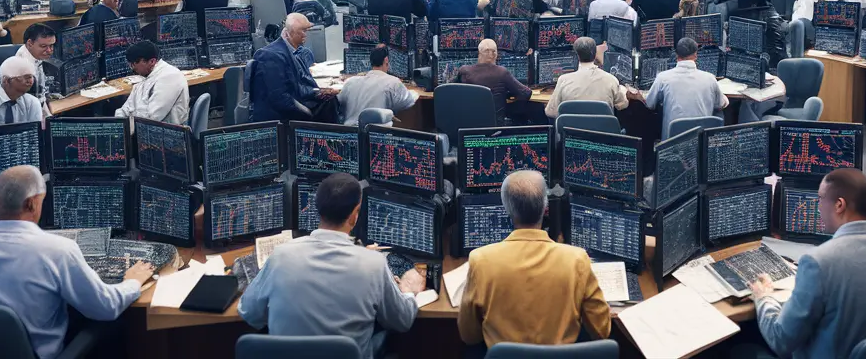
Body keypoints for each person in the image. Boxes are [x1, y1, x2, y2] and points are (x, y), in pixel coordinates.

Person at [0, 166, 152, 359]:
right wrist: (132, 282)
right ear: (31, 203)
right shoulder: (57, 250)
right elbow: (106, 307)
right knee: (113, 326)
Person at [238, 173, 423, 359]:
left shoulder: (280, 257)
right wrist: (409, 290)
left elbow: (249, 313)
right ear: (354, 216)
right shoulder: (373, 264)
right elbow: (402, 320)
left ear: (318, 208)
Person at [748, 168, 866, 359]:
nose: (818, 206)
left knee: (741, 350)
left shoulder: (818, 261)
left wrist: (763, 298)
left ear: (839, 205)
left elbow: (781, 340)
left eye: (821, 198)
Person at [458, 171, 610, 349]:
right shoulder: (577, 260)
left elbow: (468, 335)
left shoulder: (481, 260)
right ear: (546, 207)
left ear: (506, 209)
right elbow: (602, 331)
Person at [250, 13, 326, 123]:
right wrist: (309, 115)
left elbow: (297, 87)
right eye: (302, 31)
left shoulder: (296, 52)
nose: (305, 35)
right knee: (330, 106)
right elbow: (280, 99)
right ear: (288, 33)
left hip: (293, 108)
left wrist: (318, 92)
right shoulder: (271, 56)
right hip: (279, 120)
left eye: (306, 31)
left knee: (331, 99)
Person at [636, 37, 728, 128]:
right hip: (699, 139)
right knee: (719, 113)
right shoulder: (710, 79)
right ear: (696, 55)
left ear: (676, 55)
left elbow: (650, 103)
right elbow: (722, 104)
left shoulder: (663, 78)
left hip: (673, 140)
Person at [544, 37, 629, 118]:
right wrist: (622, 90)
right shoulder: (611, 80)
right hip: (602, 132)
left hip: (572, 132)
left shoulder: (563, 80)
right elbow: (622, 105)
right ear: (595, 54)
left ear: (576, 55)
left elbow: (551, 112)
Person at [338, 44, 417, 126]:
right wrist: (414, 93)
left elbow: (339, 102)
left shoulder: (350, 82)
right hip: (377, 134)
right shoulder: (392, 82)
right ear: (386, 60)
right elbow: (408, 101)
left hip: (349, 133)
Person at [456, 39, 533, 122]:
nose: (491, 54)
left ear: (479, 53)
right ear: (496, 55)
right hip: (493, 128)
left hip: (467, 127)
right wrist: (508, 95)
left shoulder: (464, 71)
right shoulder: (501, 72)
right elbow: (526, 93)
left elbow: (448, 90)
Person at [114, 41, 189, 125]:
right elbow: (126, 108)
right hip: (140, 126)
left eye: (134, 63)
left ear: (152, 61)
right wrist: (118, 124)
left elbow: (152, 118)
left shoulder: (170, 76)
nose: (132, 68)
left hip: (163, 133)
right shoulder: (145, 76)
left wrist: (128, 124)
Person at [16, 23, 56, 115]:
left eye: (51, 45)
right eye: (44, 46)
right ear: (30, 43)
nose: (49, 50)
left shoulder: (31, 53)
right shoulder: (24, 70)